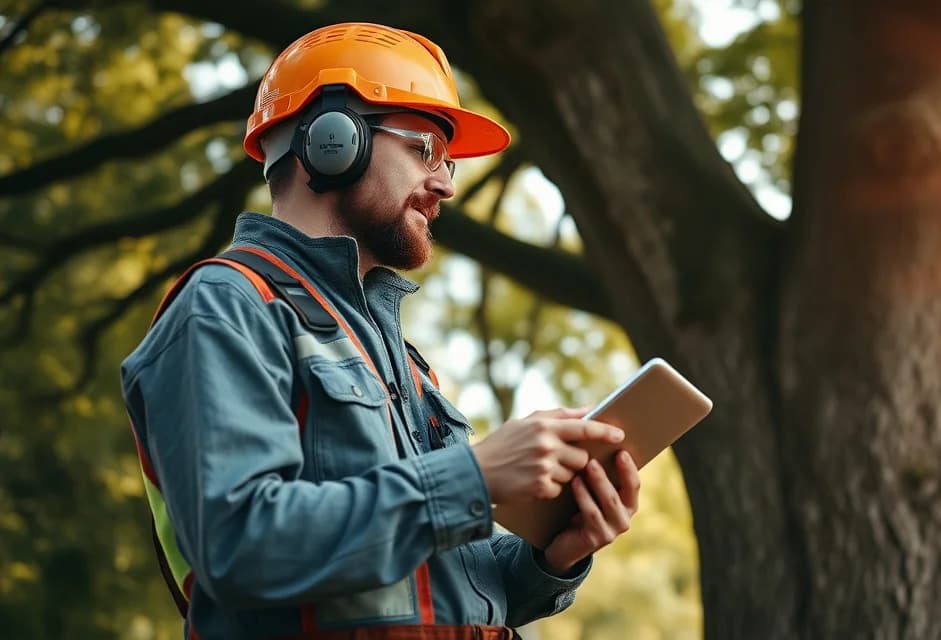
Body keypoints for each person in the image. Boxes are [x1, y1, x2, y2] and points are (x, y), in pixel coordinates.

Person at [121, 22, 641, 640]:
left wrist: (551, 554)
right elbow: (241, 547)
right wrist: (474, 478)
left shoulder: (407, 363)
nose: (447, 184)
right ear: (332, 141)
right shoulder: (228, 305)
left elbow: (445, 587)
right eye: (426, 150)